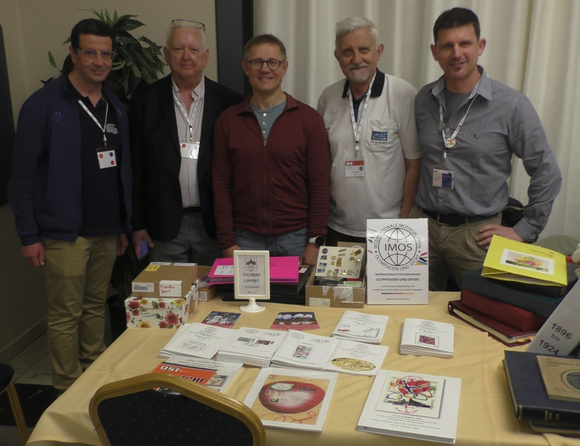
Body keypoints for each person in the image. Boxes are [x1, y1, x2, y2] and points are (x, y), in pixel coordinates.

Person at [8, 19, 132, 390]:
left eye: (106, 54)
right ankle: (66, 386)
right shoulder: (43, 105)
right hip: (65, 233)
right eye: (90, 52)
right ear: (73, 53)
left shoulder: (115, 106)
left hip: (107, 228)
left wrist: (123, 224)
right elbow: (23, 177)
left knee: (95, 306)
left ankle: (92, 379)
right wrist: (29, 235)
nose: (99, 61)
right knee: (65, 314)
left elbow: (121, 171)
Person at [410, 7, 562, 290]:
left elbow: (547, 171)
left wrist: (524, 230)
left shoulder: (511, 105)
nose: (456, 53)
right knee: (411, 309)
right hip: (423, 229)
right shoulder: (423, 99)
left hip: (476, 236)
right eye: (447, 46)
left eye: (464, 43)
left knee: (479, 310)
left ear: (480, 46)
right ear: (434, 52)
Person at [130, 20, 243, 265]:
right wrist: (137, 224)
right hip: (162, 225)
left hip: (214, 225)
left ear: (206, 56)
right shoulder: (145, 101)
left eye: (193, 50)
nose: (186, 56)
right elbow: (136, 168)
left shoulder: (230, 102)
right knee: (166, 289)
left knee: (213, 288)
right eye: (178, 49)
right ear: (166, 54)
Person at [213, 34, 329, 266]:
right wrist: (227, 242)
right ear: (245, 68)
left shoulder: (309, 120)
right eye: (257, 62)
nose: (265, 69)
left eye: (272, 62)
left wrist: (315, 241)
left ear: (284, 68)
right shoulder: (228, 121)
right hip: (244, 239)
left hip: (296, 239)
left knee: (294, 294)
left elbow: (319, 183)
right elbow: (221, 184)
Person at [317, 17, 421, 245]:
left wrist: (404, 224)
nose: (357, 59)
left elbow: (414, 165)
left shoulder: (403, 94)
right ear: (337, 57)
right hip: (337, 227)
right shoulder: (328, 97)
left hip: (390, 229)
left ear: (379, 51)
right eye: (347, 52)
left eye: (364, 49)